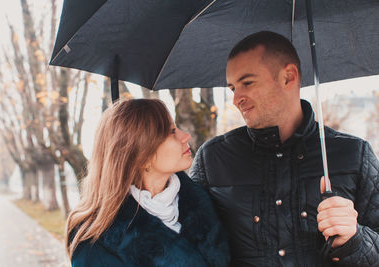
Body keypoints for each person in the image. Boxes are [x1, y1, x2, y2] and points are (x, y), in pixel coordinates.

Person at [190, 31, 379, 266]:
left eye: (247, 83)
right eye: (232, 88)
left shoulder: (354, 154)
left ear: (289, 77)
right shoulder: (212, 159)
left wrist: (354, 239)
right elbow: (186, 246)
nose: (236, 98)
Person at [66, 99, 230, 267]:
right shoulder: (96, 242)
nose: (185, 136)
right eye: (172, 131)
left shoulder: (202, 202)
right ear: (141, 156)